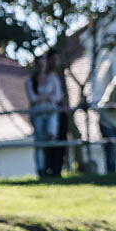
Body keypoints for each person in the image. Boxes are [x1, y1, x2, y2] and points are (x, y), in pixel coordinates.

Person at [26, 55, 63, 177]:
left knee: (51, 137)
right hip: (37, 114)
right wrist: (47, 98)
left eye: (44, 64)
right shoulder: (31, 82)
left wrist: (41, 99)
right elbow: (32, 99)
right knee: (40, 143)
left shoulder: (53, 79)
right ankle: (41, 170)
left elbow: (57, 97)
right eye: (40, 64)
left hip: (51, 113)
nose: (42, 66)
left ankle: (53, 168)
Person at [45, 49, 67, 177]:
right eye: (53, 59)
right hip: (49, 112)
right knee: (50, 142)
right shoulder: (45, 77)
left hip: (60, 112)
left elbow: (61, 95)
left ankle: (57, 170)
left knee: (61, 143)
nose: (55, 62)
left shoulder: (58, 75)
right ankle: (49, 170)